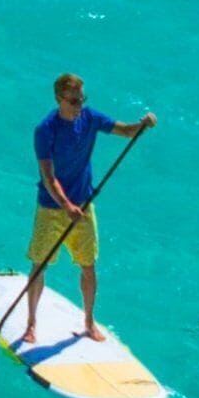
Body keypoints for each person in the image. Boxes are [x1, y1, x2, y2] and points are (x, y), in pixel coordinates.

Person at [24, 74, 158, 344]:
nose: (79, 105)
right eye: (73, 101)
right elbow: (49, 177)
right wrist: (66, 205)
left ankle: (88, 321)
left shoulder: (90, 118)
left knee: (88, 266)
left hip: (83, 205)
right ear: (59, 99)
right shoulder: (45, 130)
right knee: (39, 266)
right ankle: (31, 324)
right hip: (51, 207)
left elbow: (126, 131)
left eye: (82, 99)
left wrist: (142, 124)